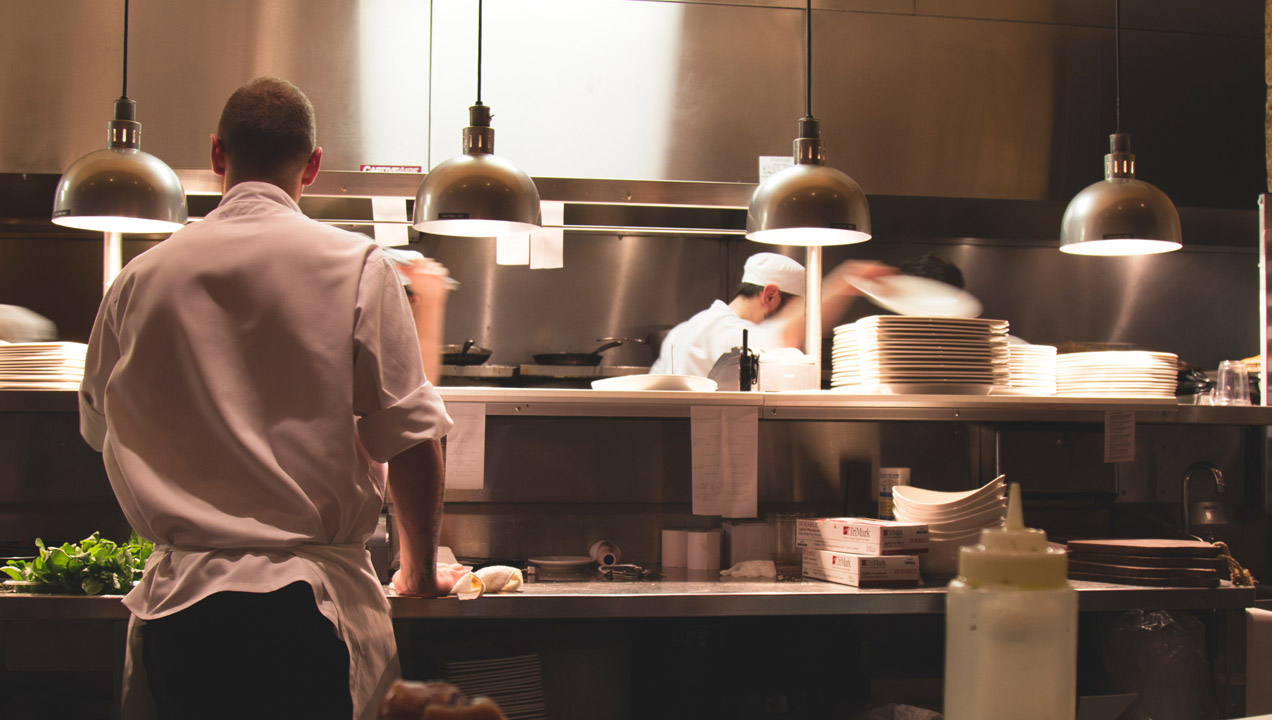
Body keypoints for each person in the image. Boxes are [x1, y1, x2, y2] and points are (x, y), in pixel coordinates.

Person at [78, 77, 466, 720]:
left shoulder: (137, 279)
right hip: (308, 611)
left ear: (216, 154)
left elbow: (99, 431)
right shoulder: (358, 267)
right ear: (312, 164)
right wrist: (419, 574)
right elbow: (412, 439)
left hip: (182, 615)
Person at [650, 252, 887, 378]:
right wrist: (847, 281)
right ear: (770, 295)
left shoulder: (682, 330)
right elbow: (780, 337)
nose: (800, 321)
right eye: (797, 310)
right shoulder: (725, 331)